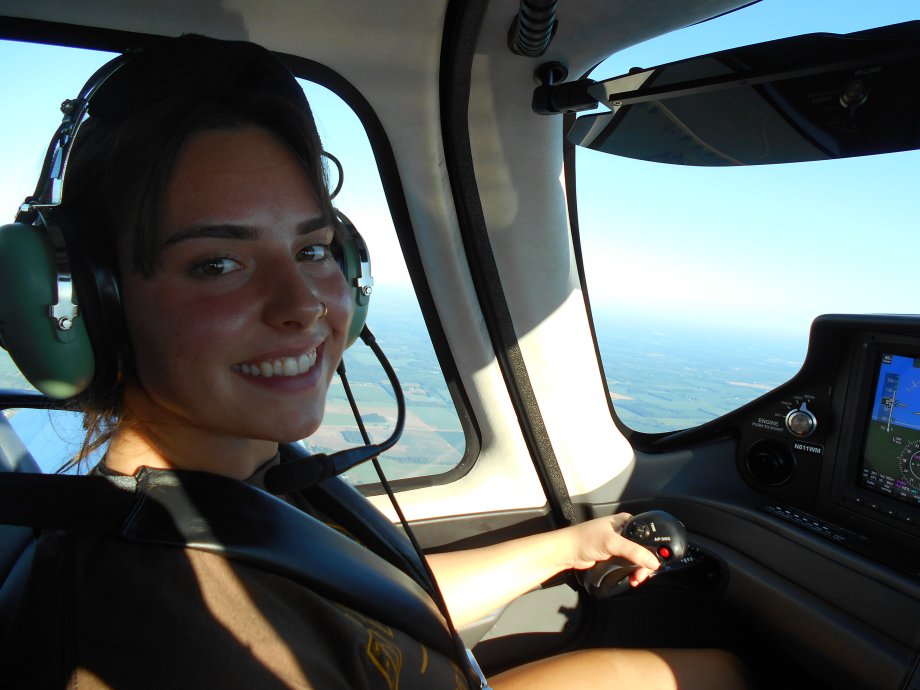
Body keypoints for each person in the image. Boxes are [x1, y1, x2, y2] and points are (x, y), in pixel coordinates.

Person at [0, 35, 748, 689]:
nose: (304, 305)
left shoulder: (252, 477)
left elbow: (369, 607)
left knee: (713, 671)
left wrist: (571, 545)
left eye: (313, 249)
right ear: (89, 303)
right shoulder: (154, 639)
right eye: (218, 263)